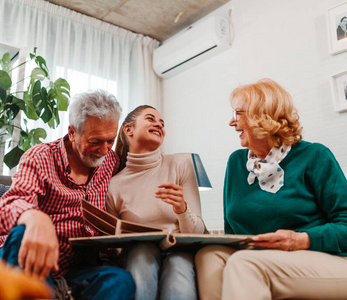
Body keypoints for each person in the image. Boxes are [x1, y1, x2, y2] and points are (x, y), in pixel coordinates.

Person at [194, 78, 347, 300]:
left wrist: (300, 239)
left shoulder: (314, 156)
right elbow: (232, 233)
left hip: (324, 256)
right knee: (208, 256)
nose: (231, 122)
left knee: (244, 263)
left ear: (262, 116)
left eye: (238, 113)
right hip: (262, 257)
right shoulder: (237, 162)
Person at [0, 89, 135, 300]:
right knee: (22, 234)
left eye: (110, 141)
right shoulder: (40, 157)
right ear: (72, 132)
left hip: (71, 272)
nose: (104, 150)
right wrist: (35, 218)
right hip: (26, 260)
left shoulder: (109, 162)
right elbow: (11, 203)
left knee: (120, 280)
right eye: (96, 141)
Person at [107, 105, 206, 300]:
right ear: (129, 130)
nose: (159, 125)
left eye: (162, 123)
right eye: (151, 119)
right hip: (137, 254)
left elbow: (199, 231)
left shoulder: (181, 165)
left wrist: (182, 210)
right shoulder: (113, 185)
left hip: (179, 249)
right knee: (141, 255)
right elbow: (113, 245)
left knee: (178, 269)